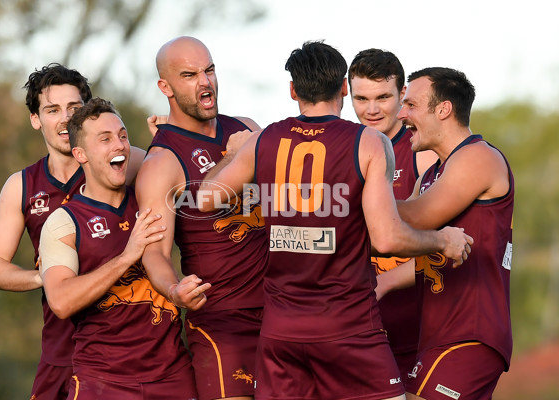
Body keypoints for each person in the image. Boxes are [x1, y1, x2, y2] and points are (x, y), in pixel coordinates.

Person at [197, 40, 473, 400]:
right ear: (344, 87)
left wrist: (233, 154)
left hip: (281, 331)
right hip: (348, 327)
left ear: (293, 89)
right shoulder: (369, 142)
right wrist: (442, 241)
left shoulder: (264, 140)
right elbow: (387, 238)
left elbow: (204, 199)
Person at [0, 63, 146, 399]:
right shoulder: (22, 186)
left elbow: (185, 182)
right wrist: (51, 278)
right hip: (61, 350)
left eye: (74, 108)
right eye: (52, 109)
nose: (64, 119)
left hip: (132, 352)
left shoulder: (129, 164)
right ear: (35, 119)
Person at [135, 36, 267, 400]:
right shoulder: (161, 163)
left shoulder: (246, 126)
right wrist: (175, 289)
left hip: (283, 312)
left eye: (209, 70)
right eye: (190, 75)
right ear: (166, 87)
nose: (205, 82)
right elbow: (154, 253)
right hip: (223, 321)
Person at [38, 97, 197, 399]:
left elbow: (201, 179)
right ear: (80, 154)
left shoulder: (152, 196)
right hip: (102, 381)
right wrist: (127, 256)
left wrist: (173, 138)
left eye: (123, 136)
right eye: (106, 139)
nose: (120, 145)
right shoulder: (64, 222)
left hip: (172, 376)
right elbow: (60, 301)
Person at [377, 67, 513, 400]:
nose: (401, 113)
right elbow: (403, 237)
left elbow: (414, 218)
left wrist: (341, 199)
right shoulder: (434, 172)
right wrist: (385, 280)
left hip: (470, 333)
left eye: (411, 104)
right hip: (438, 335)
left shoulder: (477, 157)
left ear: (443, 109)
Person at [348, 48, 439, 380]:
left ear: (402, 93)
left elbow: (445, 245)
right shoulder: (342, 150)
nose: (372, 110)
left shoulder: (423, 153)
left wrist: (383, 282)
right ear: (347, 94)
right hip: (357, 333)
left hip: (417, 333)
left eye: (383, 97)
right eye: (362, 98)